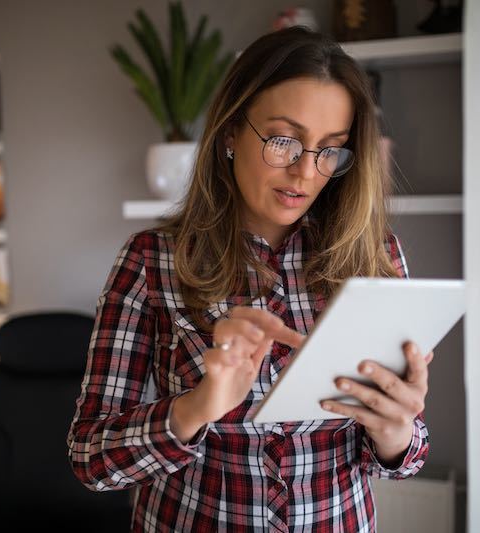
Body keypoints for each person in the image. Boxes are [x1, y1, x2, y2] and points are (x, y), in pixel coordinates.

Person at [67, 25, 432, 532]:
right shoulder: (151, 260)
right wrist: (195, 408)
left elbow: (405, 458)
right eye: (284, 141)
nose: (306, 172)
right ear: (232, 132)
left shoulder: (376, 256)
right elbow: (91, 459)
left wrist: (396, 430)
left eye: (330, 149)